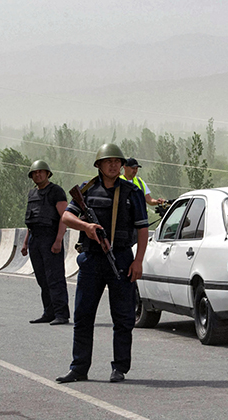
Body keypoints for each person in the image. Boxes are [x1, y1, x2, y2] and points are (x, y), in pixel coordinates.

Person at [56, 144, 149, 384]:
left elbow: (142, 229)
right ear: (98, 165)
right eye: (108, 161)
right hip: (92, 258)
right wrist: (86, 227)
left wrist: (138, 261)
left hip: (120, 257)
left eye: (117, 162)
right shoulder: (86, 190)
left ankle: (119, 368)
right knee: (83, 316)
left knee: (123, 317)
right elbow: (67, 215)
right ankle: (79, 368)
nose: (114, 165)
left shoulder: (131, 192)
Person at [21, 160, 70, 326]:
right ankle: (49, 312)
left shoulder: (56, 191)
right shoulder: (32, 194)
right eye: (35, 173)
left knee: (54, 277)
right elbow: (32, 220)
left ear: (48, 174)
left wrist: (58, 240)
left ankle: (61, 314)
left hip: (50, 238)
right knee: (42, 278)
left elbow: (65, 217)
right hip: (35, 239)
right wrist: (26, 242)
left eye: (41, 172)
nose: (38, 175)